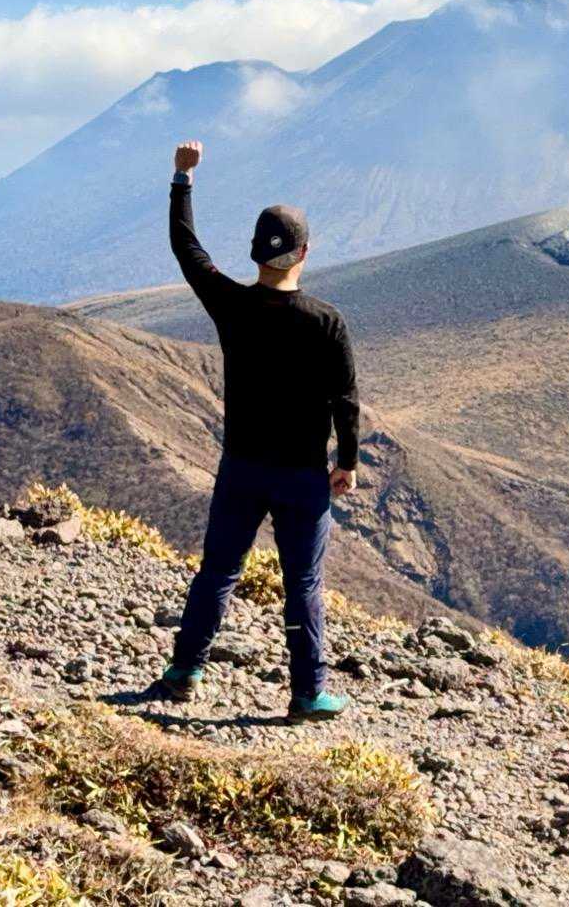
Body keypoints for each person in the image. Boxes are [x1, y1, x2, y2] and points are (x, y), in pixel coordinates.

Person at [144, 139, 359, 721]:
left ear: (256, 253)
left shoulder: (231, 305)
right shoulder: (326, 321)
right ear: (305, 252)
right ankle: (308, 693)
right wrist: (347, 463)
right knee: (303, 583)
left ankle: (185, 670)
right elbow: (345, 399)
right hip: (302, 477)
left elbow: (187, 248)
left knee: (218, 570)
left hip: (241, 468)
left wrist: (182, 179)